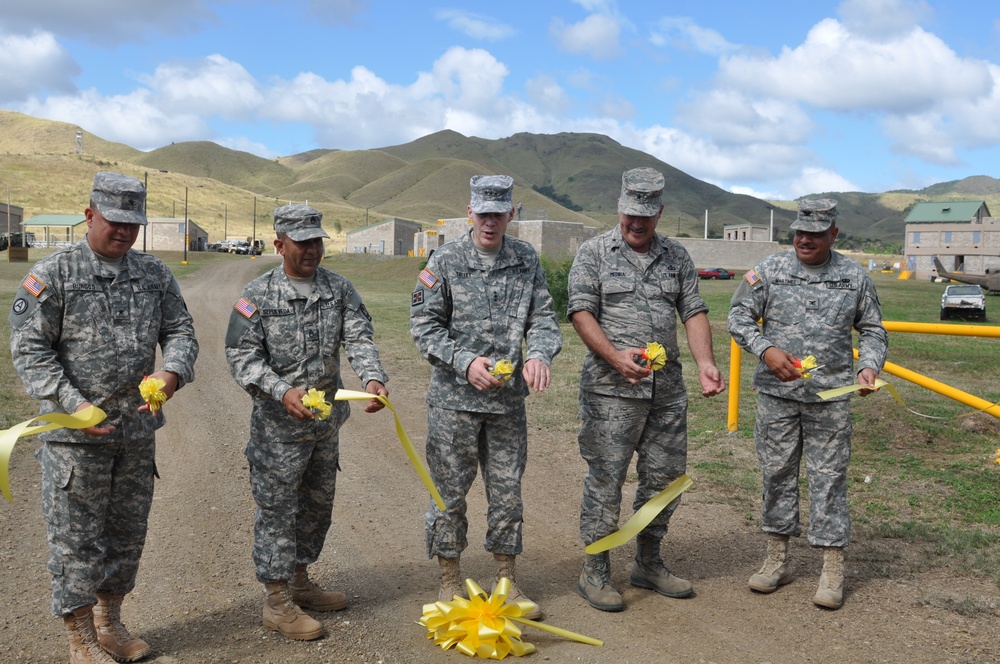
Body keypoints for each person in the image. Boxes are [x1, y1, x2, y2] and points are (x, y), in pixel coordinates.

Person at [9, 171, 199, 663]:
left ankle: (109, 624)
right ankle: (82, 643)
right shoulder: (55, 274)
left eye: (133, 224)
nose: (124, 232)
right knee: (76, 541)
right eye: (114, 221)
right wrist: (73, 404)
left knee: (126, 534)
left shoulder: (154, 274)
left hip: (134, 436)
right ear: (89, 214)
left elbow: (181, 330)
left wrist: (173, 372)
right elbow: (30, 350)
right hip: (75, 441)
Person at [225, 204, 389, 640]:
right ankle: (277, 602)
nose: (313, 249)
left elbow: (358, 336)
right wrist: (282, 391)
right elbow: (242, 357)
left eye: (317, 240)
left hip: (324, 427)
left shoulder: (339, 289)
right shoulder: (257, 296)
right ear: (280, 245)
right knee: (278, 511)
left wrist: (372, 377)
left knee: (317, 508)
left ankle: (300, 580)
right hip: (277, 432)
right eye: (303, 242)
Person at [567, 167, 726, 613]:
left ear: (659, 213)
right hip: (610, 391)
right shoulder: (594, 253)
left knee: (664, 480)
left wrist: (706, 363)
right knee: (606, 478)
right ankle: (594, 570)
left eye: (645, 218)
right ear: (619, 208)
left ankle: (648, 562)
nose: (636, 225)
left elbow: (693, 310)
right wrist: (616, 356)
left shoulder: (676, 256)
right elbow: (581, 312)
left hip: (667, 392)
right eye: (629, 217)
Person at [410, 175, 562, 619]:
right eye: (483, 213)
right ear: (470, 211)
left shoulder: (524, 258)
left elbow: (544, 318)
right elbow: (423, 327)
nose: (490, 222)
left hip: (506, 405)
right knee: (448, 495)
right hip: (453, 403)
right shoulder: (445, 260)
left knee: (507, 493)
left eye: (499, 213)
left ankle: (506, 582)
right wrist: (464, 361)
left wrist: (538, 354)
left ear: (511, 214)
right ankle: (449, 581)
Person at [728, 198, 888, 610]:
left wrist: (867, 367)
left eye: (814, 234)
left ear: (833, 235)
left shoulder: (853, 277)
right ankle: (776, 559)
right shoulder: (770, 271)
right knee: (776, 473)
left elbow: (872, 329)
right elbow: (739, 317)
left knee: (828, 478)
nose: (804, 240)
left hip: (829, 399)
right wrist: (765, 350)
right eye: (799, 232)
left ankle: (832, 569)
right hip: (777, 397)